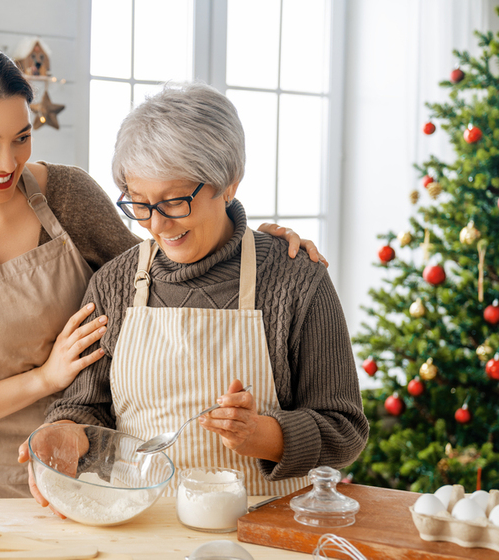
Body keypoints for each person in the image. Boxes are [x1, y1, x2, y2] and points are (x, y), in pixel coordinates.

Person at [0, 46, 326, 499]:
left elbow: (161, 270)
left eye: (21, 137)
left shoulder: (68, 196)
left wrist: (253, 241)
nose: (8, 163)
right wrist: (44, 379)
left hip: (101, 470)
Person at [21, 82, 368, 504]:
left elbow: (345, 429)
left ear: (229, 183)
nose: (157, 225)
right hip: (140, 526)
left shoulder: (295, 280)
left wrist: (263, 436)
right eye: (140, 203)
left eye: (174, 202)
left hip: (262, 528)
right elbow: (85, 407)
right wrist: (65, 433)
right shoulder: (115, 282)